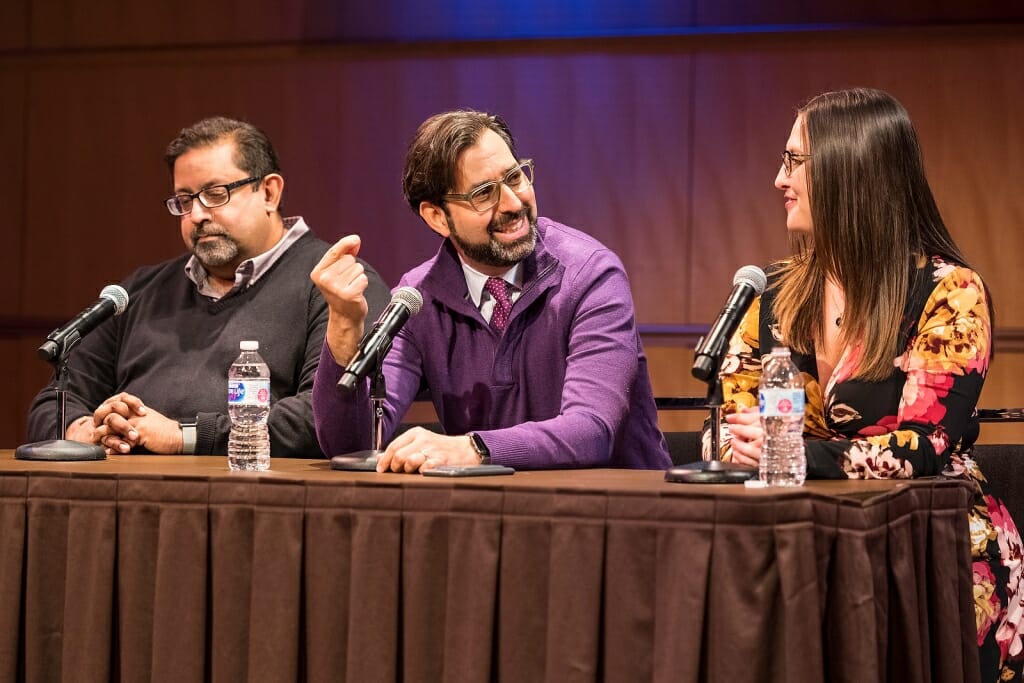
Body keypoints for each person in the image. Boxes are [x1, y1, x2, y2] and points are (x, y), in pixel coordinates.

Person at [705, 88, 1022, 680]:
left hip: (932, 548)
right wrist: (742, 446)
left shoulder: (950, 293)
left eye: (795, 162)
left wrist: (798, 454)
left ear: (850, 169)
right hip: (803, 542)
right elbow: (727, 423)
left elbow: (921, 447)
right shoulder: (771, 292)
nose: (778, 178)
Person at [311, 109, 669, 472]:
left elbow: (593, 430)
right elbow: (351, 446)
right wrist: (342, 324)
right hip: (486, 517)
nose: (513, 204)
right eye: (484, 194)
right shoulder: (418, 299)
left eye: (515, 177)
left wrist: (474, 449)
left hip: (615, 515)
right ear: (437, 217)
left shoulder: (591, 274)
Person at [26, 116, 390, 457]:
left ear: (269, 192)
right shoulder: (140, 291)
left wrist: (183, 436)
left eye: (215, 194)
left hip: (256, 505)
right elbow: (55, 401)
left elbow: (326, 417)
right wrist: (90, 431)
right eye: (184, 201)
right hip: (127, 493)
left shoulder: (336, 284)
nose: (197, 215)